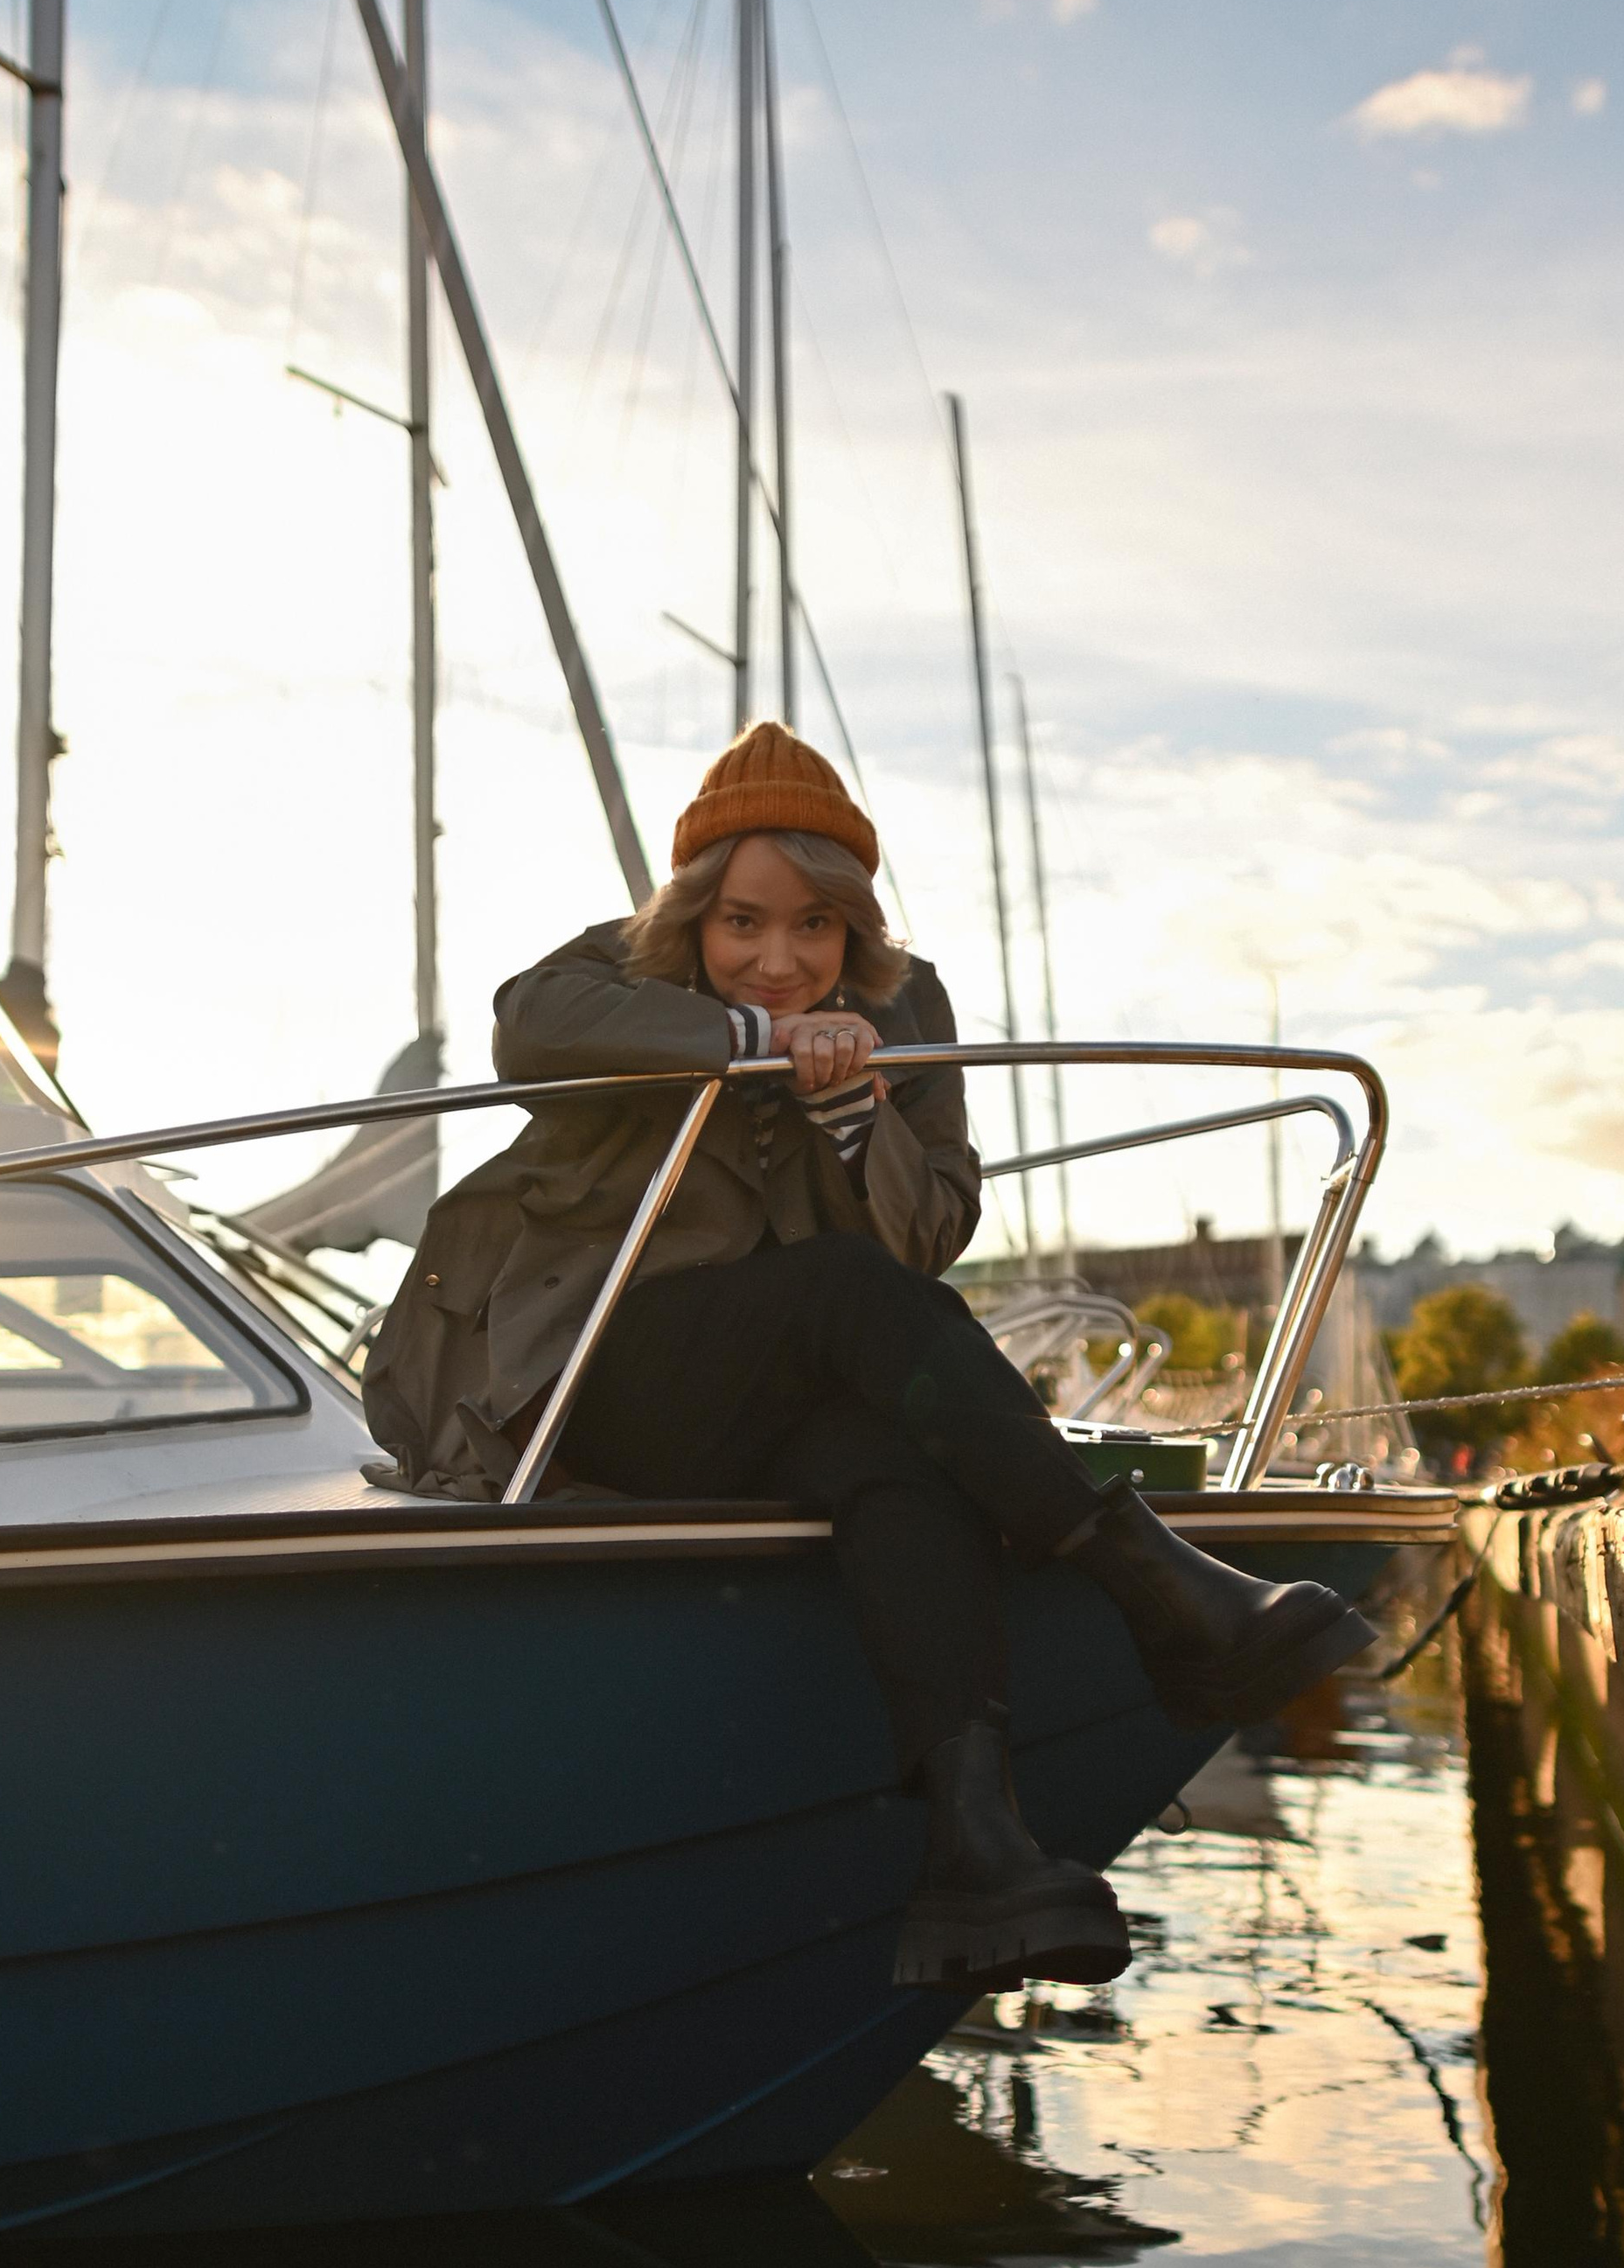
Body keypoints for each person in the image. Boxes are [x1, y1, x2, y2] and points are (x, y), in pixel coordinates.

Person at [364, 722, 1374, 1991]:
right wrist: (752, 1040)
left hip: (776, 1388)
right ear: (697, 912)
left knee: (888, 1456)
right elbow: (528, 1031)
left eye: (815, 927)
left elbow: (927, 1237)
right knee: (838, 1293)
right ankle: (1150, 1585)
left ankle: (977, 1850)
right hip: (589, 1374)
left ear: (856, 925)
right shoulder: (615, 972)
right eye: (742, 922)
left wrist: (856, 1117)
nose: (778, 958)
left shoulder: (903, 1010)